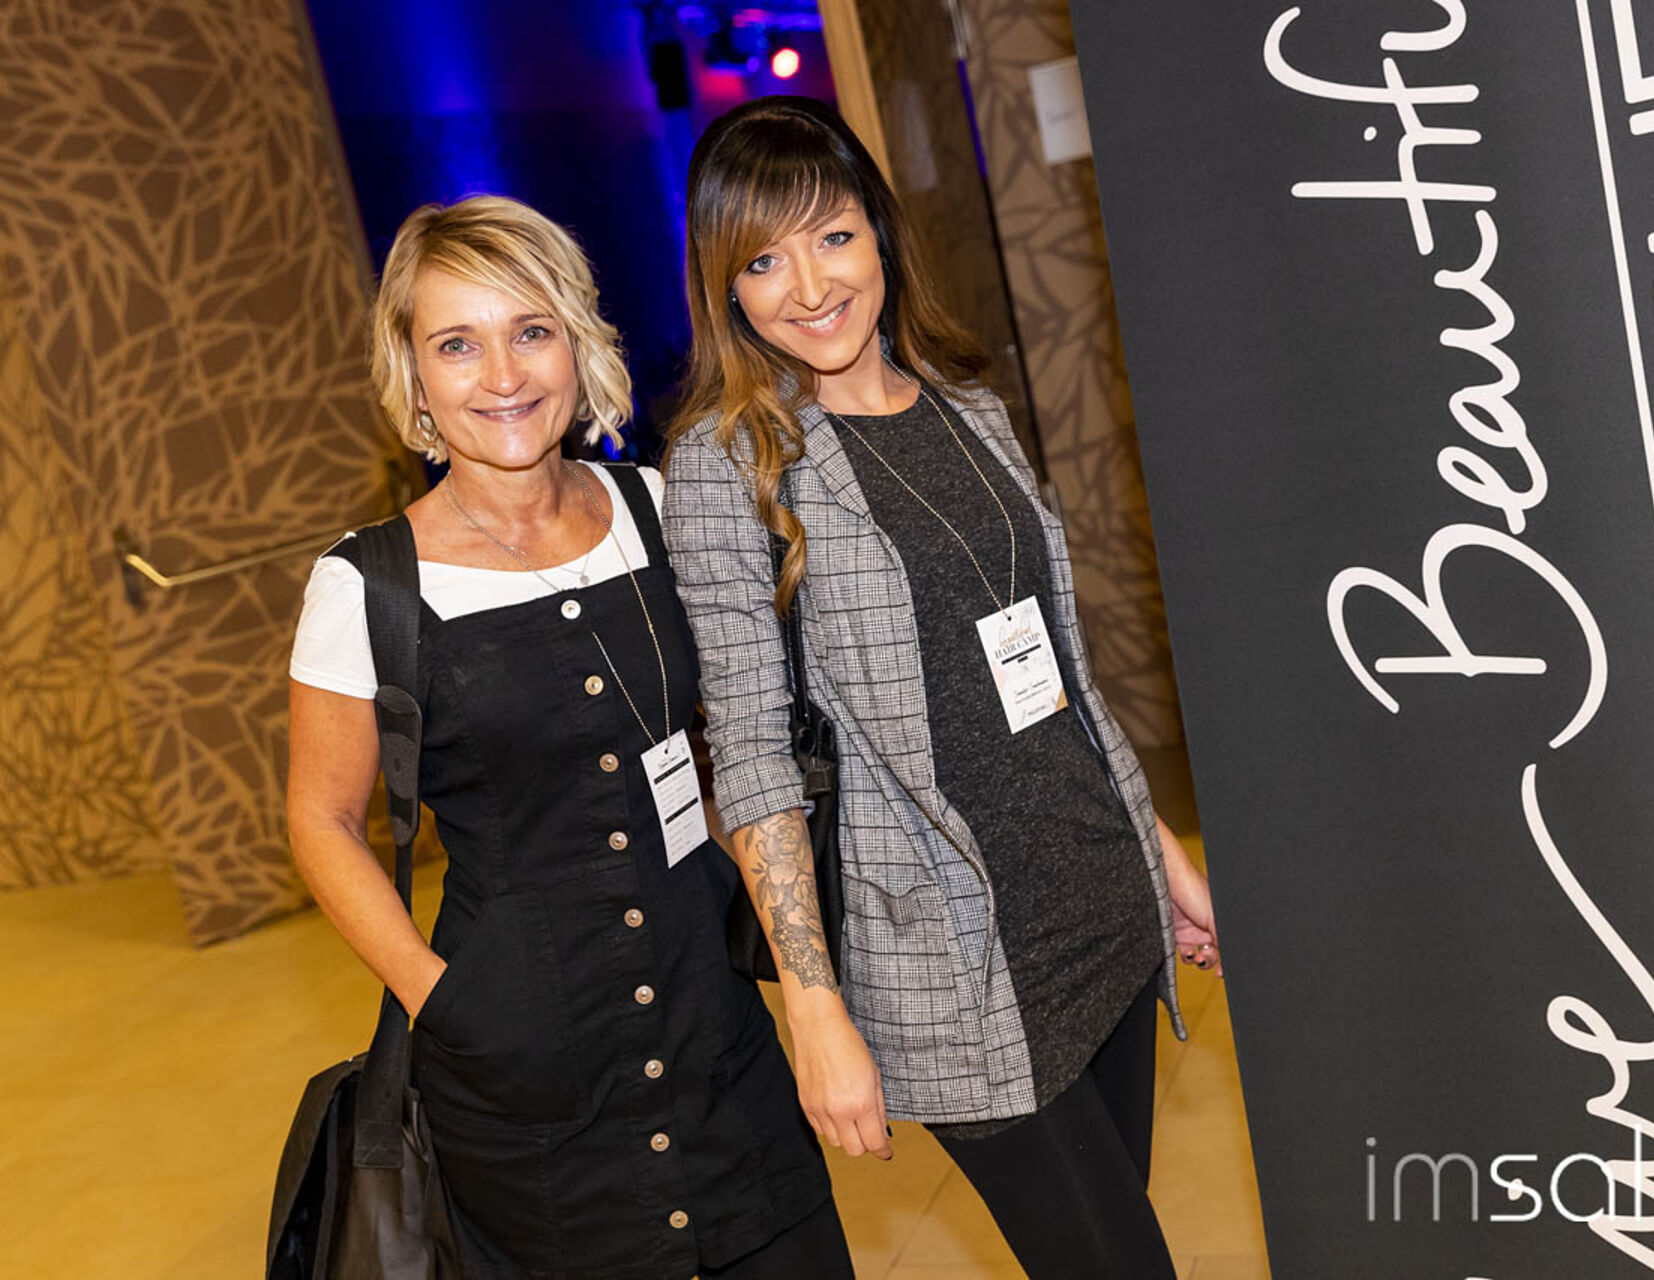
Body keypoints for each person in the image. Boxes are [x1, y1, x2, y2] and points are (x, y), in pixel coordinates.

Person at [662, 97, 1223, 1278]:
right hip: (955, 954)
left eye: (832, 237)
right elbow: (752, 754)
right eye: (762, 260)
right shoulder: (727, 463)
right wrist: (814, 1005)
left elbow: (1057, 668)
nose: (809, 286)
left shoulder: (969, 407)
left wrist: (1155, 843)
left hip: (1096, 896)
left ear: (878, 230)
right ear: (724, 285)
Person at [284, 194, 852, 1279]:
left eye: (531, 330)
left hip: (714, 1031)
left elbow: (738, 744)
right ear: (414, 375)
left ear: (578, 345)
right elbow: (320, 819)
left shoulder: (660, 510)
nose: (503, 374)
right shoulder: (366, 585)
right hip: (519, 1078)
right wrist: (442, 1000)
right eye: (458, 343)